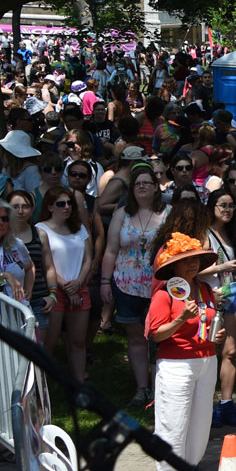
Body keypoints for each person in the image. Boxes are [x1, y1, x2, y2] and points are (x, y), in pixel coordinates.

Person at [147, 233, 223, 471]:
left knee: (201, 419)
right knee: (173, 419)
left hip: (206, 359)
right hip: (176, 362)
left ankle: (190, 468)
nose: (192, 265)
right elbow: (155, 334)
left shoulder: (205, 289)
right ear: (173, 266)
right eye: (186, 261)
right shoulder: (164, 293)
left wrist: (216, 335)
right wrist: (180, 320)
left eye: (196, 260)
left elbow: (208, 320)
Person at [101, 163, 168, 406]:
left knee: (158, 337)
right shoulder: (121, 214)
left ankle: (158, 388)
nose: (142, 187)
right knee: (136, 338)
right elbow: (110, 251)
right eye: (137, 184)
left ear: (155, 187)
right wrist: (105, 282)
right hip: (125, 284)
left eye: (146, 183)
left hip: (159, 285)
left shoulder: (167, 213)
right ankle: (142, 388)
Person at [199, 188, 236, 428]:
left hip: (230, 300)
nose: (227, 210)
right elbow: (193, 271)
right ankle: (206, 406)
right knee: (208, 354)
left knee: (230, 353)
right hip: (208, 301)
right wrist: (222, 267)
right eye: (222, 205)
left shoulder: (232, 235)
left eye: (231, 205)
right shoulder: (203, 235)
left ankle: (227, 404)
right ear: (212, 207)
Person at [36, 186, 93, 382]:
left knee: (78, 341)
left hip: (79, 286)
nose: (67, 207)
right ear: (50, 207)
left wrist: (77, 283)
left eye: (69, 203)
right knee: (49, 342)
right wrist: (67, 288)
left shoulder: (80, 228)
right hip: (54, 290)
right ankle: (42, 385)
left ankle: (80, 383)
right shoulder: (41, 229)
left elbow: (88, 259)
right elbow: (46, 264)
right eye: (61, 204)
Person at [8, 190, 50, 338]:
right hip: (10, 299)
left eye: (25, 206)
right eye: (15, 206)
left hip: (39, 298)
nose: (20, 211)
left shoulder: (40, 234)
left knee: (39, 348)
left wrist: (53, 294)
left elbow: (48, 267)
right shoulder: (0, 236)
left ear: (32, 209)